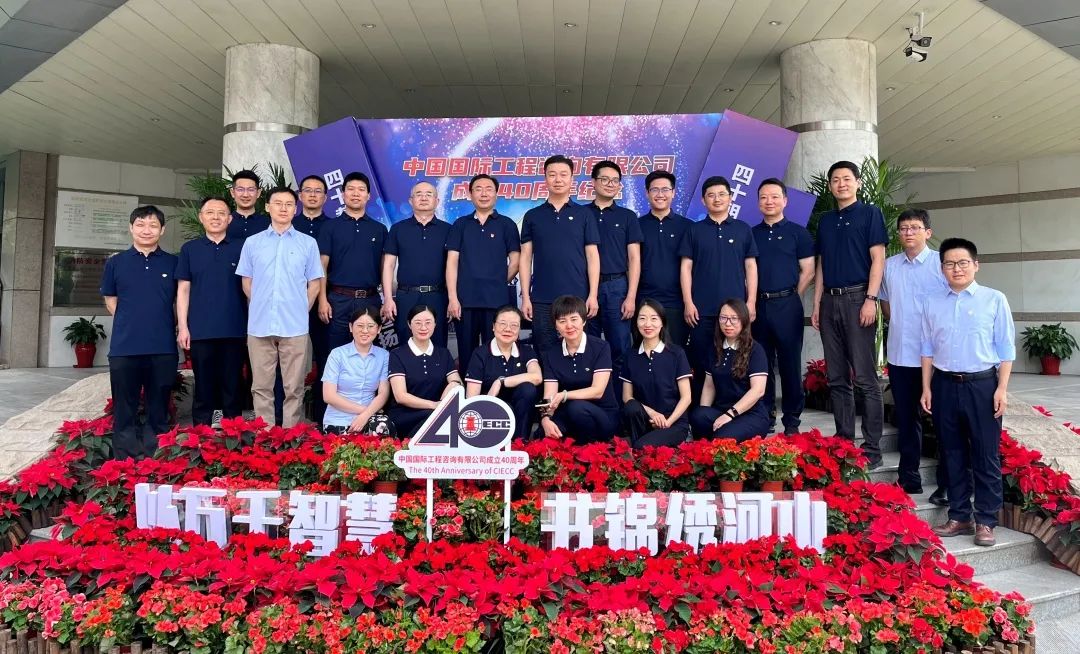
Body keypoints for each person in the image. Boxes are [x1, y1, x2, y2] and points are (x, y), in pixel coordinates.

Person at [922, 238, 1015, 548]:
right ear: (942, 268)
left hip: (982, 385)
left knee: (985, 454)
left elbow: (1006, 348)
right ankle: (959, 515)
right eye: (949, 263)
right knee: (951, 453)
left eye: (963, 262)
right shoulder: (932, 302)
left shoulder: (994, 299)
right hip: (944, 385)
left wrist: (1002, 389)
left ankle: (986, 520)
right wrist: (926, 387)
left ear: (976, 265)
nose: (956, 268)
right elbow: (927, 348)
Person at [810, 160, 888, 468]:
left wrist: (871, 299)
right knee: (837, 378)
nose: (841, 184)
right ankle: (844, 443)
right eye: (835, 180)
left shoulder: (870, 214)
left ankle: (872, 449)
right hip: (830, 301)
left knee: (866, 378)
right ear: (830, 186)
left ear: (857, 183)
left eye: (846, 178)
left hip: (859, 299)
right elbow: (821, 265)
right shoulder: (826, 221)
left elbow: (878, 259)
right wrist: (817, 304)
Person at [236, 187, 324, 427]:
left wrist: (300, 309)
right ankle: (265, 435)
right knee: (261, 386)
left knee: (294, 387)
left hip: (295, 326)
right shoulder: (253, 243)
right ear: (268, 207)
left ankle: (291, 436)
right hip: (260, 325)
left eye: (288, 204)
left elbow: (314, 284)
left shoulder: (308, 243)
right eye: (278, 203)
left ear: (295, 209)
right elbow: (247, 281)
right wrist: (262, 304)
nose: (283, 208)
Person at [100, 205, 178, 459]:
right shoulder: (116, 263)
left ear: (162, 230)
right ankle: (125, 459)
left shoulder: (173, 263)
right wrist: (132, 321)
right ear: (131, 228)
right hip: (125, 347)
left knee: (159, 406)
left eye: (153, 225)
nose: (147, 230)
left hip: (162, 347)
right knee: (124, 407)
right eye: (141, 224)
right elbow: (110, 300)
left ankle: (157, 457)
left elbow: (180, 301)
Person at [880, 208, 948, 498]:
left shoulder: (940, 264)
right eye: (904, 228)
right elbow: (885, 303)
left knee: (943, 421)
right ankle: (909, 478)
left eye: (915, 227)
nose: (908, 232)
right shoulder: (889, 266)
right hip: (901, 355)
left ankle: (947, 484)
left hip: (938, 357)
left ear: (928, 232)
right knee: (907, 419)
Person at [680, 176, 758, 399]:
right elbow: (685, 267)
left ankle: (733, 406)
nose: (717, 199)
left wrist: (751, 302)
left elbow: (751, 266)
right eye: (711, 195)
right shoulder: (694, 230)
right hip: (701, 311)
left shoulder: (743, 229)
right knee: (700, 360)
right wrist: (688, 302)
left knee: (736, 360)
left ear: (730, 198)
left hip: (735, 311)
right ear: (703, 200)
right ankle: (700, 411)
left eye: (722, 194)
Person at [750, 178, 814, 434]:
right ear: (758, 202)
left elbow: (808, 270)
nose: (769, 201)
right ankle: (765, 415)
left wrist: (792, 294)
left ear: (785, 201)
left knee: (790, 364)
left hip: (788, 305)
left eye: (775, 196)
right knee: (761, 363)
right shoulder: (751, 234)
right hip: (758, 305)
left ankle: (792, 420)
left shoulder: (798, 233)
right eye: (764, 197)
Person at [176, 197, 247, 427]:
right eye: (210, 212)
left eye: (221, 213)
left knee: (232, 383)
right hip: (201, 330)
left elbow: (251, 288)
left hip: (235, 328)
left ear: (229, 219)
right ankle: (202, 433)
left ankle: (233, 431)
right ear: (201, 217)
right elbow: (183, 290)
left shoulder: (242, 248)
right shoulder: (190, 249)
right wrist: (183, 326)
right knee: (204, 385)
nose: (215, 217)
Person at [520, 155, 600, 353]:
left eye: (563, 174)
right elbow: (525, 258)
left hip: (577, 296)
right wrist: (526, 297)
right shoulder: (532, 216)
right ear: (545, 178)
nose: (558, 179)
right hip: (542, 298)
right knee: (544, 350)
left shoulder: (584, 215)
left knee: (576, 350)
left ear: (572, 179)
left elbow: (592, 257)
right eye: (552, 174)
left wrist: (593, 295)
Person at [446, 174, 521, 374]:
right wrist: (453, 298)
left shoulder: (507, 224)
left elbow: (515, 261)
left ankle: (494, 391)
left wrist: (497, 281)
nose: (484, 194)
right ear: (470, 194)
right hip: (465, 302)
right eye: (478, 189)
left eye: (489, 189)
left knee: (495, 353)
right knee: (466, 352)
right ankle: (467, 391)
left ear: (496, 194)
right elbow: (452, 262)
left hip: (496, 302)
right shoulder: (460, 225)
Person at [317, 172, 387, 350]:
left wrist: (387, 299)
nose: (356, 194)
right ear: (343, 194)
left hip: (370, 299)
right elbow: (321, 266)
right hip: (338, 300)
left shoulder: (379, 229)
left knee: (369, 350)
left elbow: (385, 267)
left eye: (361, 190)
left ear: (368, 196)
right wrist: (322, 299)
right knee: (336, 350)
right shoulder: (330, 227)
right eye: (351, 189)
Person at [585, 160, 642, 373]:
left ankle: (620, 392)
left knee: (619, 346)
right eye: (604, 179)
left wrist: (631, 297)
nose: (610, 184)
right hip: (584, 287)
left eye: (615, 180)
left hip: (616, 287)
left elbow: (634, 258)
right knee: (587, 346)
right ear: (593, 182)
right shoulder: (581, 214)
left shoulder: (627, 216)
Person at [537, 295, 619, 443]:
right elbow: (549, 394)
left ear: (584, 320)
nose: (569, 326)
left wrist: (564, 395)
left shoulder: (600, 347)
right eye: (562, 321)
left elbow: (597, 391)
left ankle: (593, 448)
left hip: (602, 414)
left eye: (574, 319)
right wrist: (545, 419)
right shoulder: (551, 353)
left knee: (577, 408)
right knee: (543, 434)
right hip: (568, 412)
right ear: (556, 325)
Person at [383, 181, 452, 348]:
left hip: (438, 296)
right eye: (419, 194)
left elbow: (454, 267)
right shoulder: (398, 229)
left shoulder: (449, 230)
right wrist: (388, 298)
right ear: (410, 201)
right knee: (406, 345)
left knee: (438, 344)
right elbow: (388, 265)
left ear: (437, 201)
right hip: (406, 296)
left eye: (429, 194)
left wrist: (452, 299)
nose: (424, 198)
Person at [690, 298, 770, 441]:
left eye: (734, 319)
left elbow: (758, 390)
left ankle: (723, 436)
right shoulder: (715, 348)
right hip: (721, 411)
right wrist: (703, 413)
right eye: (723, 318)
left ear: (744, 320)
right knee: (697, 416)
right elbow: (709, 386)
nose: (728, 324)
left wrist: (729, 415)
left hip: (751, 415)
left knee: (723, 438)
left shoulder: (755, 350)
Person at [619, 300, 692, 448]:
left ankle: (637, 446)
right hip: (645, 420)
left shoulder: (676, 354)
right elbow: (627, 397)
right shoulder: (630, 356)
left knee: (640, 446)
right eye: (642, 318)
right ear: (636, 322)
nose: (648, 324)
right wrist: (652, 413)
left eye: (654, 318)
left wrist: (668, 422)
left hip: (673, 422)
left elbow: (686, 397)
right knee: (631, 407)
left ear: (662, 322)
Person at [464, 306, 542, 440]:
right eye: (503, 324)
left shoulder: (526, 351)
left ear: (519, 329)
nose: (508, 329)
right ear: (493, 327)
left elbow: (537, 377)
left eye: (514, 325)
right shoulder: (480, 353)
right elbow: (471, 398)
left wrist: (501, 382)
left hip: (519, 408)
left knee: (528, 389)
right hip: (489, 411)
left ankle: (520, 442)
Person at [388, 305, 463, 438]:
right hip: (406, 414)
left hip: (437, 412)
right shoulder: (397, 354)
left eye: (428, 322)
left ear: (435, 324)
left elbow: (457, 382)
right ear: (409, 324)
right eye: (418, 323)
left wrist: (453, 385)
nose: (423, 327)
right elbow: (400, 396)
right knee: (438, 419)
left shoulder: (443, 354)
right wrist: (434, 405)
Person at [294, 174, 334, 422]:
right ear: (300, 196)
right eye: (307, 190)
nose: (312, 195)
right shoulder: (288, 225)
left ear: (325, 197)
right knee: (288, 362)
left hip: (323, 303)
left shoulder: (333, 226)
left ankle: (321, 417)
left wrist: (322, 299)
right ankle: (285, 419)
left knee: (324, 357)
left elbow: (325, 268)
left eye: (317, 191)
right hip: (291, 303)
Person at [638, 170, 692, 348]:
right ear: (647, 193)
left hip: (677, 302)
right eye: (654, 190)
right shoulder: (637, 225)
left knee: (675, 351)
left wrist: (689, 302)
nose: (660, 194)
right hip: (645, 300)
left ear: (673, 192)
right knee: (645, 352)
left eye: (665, 189)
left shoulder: (688, 226)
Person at [321, 306, 390, 434]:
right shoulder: (337, 354)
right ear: (351, 327)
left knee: (385, 428)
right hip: (338, 419)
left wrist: (366, 416)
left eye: (370, 326)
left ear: (379, 329)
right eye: (360, 326)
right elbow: (329, 396)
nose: (365, 330)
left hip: (370, 420)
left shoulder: (384, 356)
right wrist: (365, 412)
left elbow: (383, 394)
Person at [226, 169, 270, 241]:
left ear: (258, 193)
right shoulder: (223, 222)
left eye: (251, 190)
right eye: (240, 189)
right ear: (232, 192)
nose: (245, 195)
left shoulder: (269, 224)